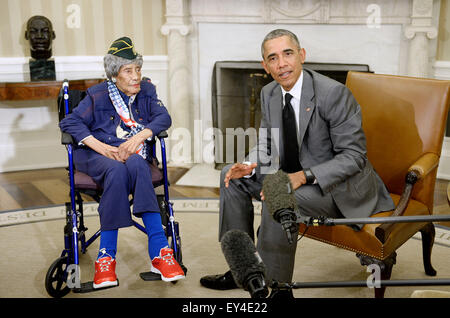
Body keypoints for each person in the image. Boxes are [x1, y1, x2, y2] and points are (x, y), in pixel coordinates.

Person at [199, 29, 395, 297]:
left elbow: (354, 157)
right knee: (231, 177)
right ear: (265, 66)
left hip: (336, 188)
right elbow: (267, 144)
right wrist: (249, 163)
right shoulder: (269, 93)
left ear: (302, 55)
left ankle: (278, 289)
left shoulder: (332, 94)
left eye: (288, 54)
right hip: (290, 177)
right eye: (273, 58)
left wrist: (303, 176)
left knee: (279, 194)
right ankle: (244, 269)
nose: (282, 64)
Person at [59, 36, 185, 289]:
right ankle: (110, 255)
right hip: (98, 156)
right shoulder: (97, 95)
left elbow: (163, 117)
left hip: (133, 155)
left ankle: (157, 253)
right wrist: (101, 146)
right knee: (117, 169)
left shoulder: (147, 91)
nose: (136, 76)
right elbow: (69, 123)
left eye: (138, 69)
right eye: (128, 71)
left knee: (137, 164)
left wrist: (139, 136)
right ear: (115, 75)